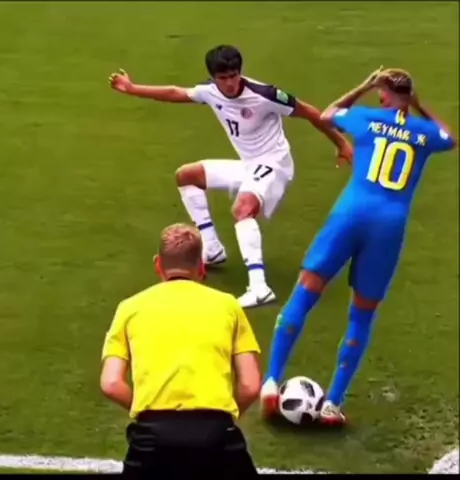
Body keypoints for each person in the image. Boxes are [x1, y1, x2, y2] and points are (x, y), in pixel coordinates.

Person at [260, 67, 457, 425]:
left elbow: (327, 114)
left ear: (383, 95)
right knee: (363, 313)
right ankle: (333, 403)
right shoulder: (425, 133)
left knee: (306, 290)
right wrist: (419, 105)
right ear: (408, 96)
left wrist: (363, 85)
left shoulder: (366, 118)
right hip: (389, 225)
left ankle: (272, 381)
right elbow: (450, 137)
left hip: (350, 214)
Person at [108, 45, 353, 309]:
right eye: (223, 77)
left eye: (234, 75)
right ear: (214, 78)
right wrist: (133, 89)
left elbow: (312, 113)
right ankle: (212, 249)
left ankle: (259, 287)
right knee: (187, 176)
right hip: (249, 165)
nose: (229, 83)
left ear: (240, 72)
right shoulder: (210, 91)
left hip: (274, 165)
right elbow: (176, 92)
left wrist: (341, 144)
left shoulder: (265, 95)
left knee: (242, 209)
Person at [100, 223, 262, 478]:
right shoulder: (229, 306)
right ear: (202, 267)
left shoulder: (129, 308)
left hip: (152, 438)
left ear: (158, 265)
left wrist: (147, 410)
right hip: (217, 435)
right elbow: (251, 386)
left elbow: (111, 383)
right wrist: (222, 417)